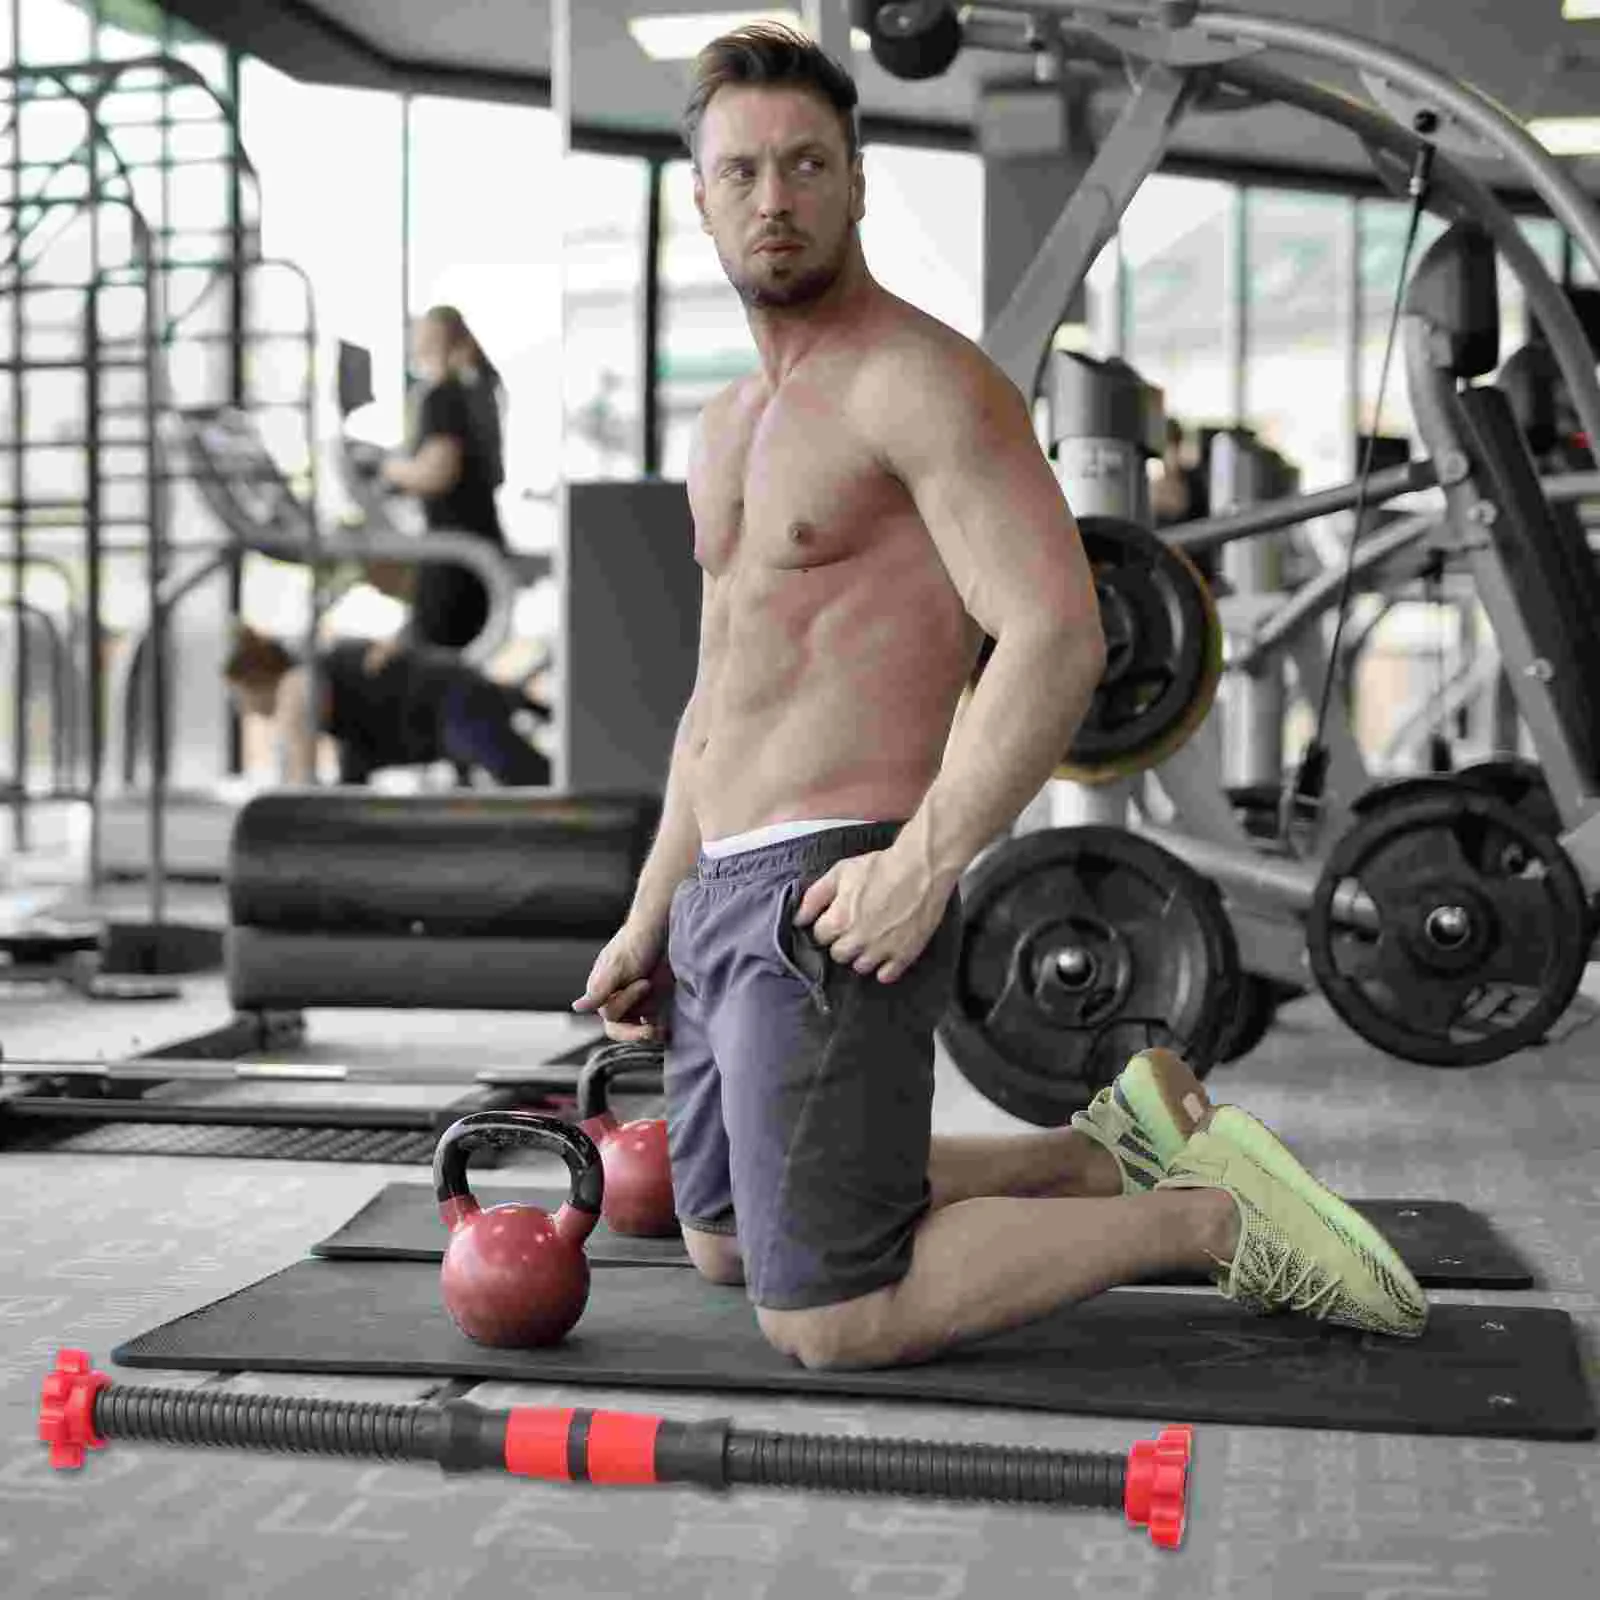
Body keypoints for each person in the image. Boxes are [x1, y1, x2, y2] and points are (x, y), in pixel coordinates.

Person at [572, 24, 1427, 1373]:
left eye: (806, 165)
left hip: (830, 889)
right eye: (742, 172)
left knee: (830, 1316)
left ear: (857, 182)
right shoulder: (728, 424)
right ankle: (1097, 1159)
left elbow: (1056, 633)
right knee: (723, 1240)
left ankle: (1207, 1221)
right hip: (719, 892)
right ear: (702, 198)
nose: (774, 198)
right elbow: (716, 698)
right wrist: (653, 910)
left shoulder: (920, 382)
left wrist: (921, 865)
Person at [222, 624, 549, 788]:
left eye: (242, 696)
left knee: (525, 777)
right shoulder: (344, 723)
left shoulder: (301, 683)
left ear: (260, 680)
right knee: (522, 773)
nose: (245, 710)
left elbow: (298, 777)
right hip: (451, 701)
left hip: (451, 702)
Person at [380, 306, 508, 651]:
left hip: (455, 557)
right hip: (479, 545)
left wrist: (389, 469)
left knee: (433, 660)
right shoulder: (479, 391)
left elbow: (438, 473)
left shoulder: (443, 396)